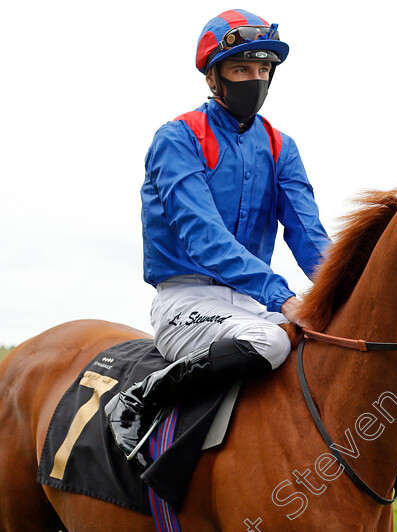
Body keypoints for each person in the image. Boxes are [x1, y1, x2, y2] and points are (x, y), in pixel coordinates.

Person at [105, 9, 331, 460]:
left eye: (264, 69)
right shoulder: (177, 138)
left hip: (250, 306)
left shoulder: (282, 146)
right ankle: (140, 396)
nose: (256, 79)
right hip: (187, 301)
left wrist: (343, 289)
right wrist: (283, 296)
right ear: (213, 77)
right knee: (272, 341)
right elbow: (203, 238)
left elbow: (308, 234)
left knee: (325, 345)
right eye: (242, 68)